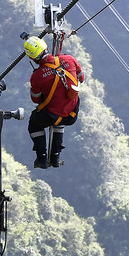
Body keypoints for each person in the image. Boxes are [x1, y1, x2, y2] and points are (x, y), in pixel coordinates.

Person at [23, 35, 84, 169]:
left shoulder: (37, 76)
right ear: (46, 47)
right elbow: (81, 77)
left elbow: (35, 99)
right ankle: (55, 157)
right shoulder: (69, 59)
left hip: (51, 116)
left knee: (34, 124)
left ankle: (41, 158)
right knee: (60, 118)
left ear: (32, 58)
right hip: (71, 114)